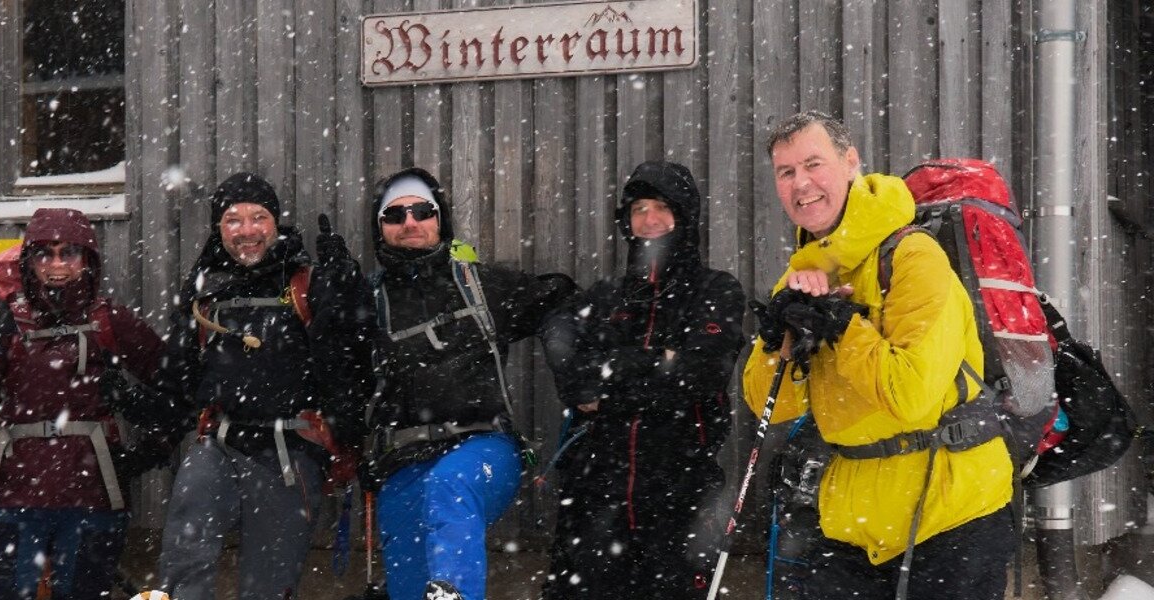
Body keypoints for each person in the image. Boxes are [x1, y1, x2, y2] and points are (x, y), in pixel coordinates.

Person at [741, 112, 1012, 599]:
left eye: (813, 164)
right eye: (786, 172)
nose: (801, 183)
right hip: (853, 521)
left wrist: (843, 325)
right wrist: (772, 342)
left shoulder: (913, 258)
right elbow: (771, 407)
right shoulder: (802, 275)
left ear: (850, 163)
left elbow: (910, 395)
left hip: (948, 515)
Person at [356, 167, 575, 600]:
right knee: (407, 585)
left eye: (422, 210)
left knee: (449, 487)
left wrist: (568, 360)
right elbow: (336, 376)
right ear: (380, 229)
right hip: (402, 457)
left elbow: (561, 298)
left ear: (440, 219)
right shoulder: (367, 301)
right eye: (394, 215)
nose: (410, 222)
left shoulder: (479, 286)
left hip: (483, 447)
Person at [151, 172, 369, 600]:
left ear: (275, 223)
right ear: (219, 228)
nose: (247, 231)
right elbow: (179, 378)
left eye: (258, 217)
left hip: (288, 453)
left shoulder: (306, 284)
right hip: (220, 444)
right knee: (183, 558)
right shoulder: (205, 291)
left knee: (268, 585)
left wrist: (348, 292)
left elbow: (352, 363)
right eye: (233, 219)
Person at [539, 161, 744, 599]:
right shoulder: (605, 296)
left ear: (685, 216)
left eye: (663, 207)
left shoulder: (716, 290)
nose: (649, 220)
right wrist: (656, 362)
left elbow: (701, 374)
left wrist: (611, 373)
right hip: (598, 491)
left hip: (679, 491)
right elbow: (569, 365)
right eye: (639, 209)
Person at [0, 208, 168, 600]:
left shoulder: (109, 320)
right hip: (12, 491)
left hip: (92, 493)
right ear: (28, 261)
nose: (57, 265)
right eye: (45, 254)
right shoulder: (5, 322)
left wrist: (147, 445)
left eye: (70, 253)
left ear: (88, 260)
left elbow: (176, 384)